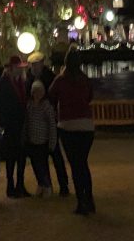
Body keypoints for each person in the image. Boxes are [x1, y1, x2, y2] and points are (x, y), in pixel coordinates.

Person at [48, 46, 95, 215]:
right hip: (86, 126)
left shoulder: (61, 80)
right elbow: (90, 97)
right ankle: (89, 199)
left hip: (68, 125)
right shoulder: (85, 79)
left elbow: (51, 95)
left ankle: (81, 201)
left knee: (75, 165)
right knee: (83, 163)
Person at [27, 51, 70, 196]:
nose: (34, 67)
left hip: (49, 117)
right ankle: (46, 184)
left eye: (36, 64)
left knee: (55, 154)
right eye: (33, 65)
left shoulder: (49, 77)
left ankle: (62, 185)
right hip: (37, 122)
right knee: (41, 157)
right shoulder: (30, 77)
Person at [0, 54, 29, 197]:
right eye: (18, 68)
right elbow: (0, 105)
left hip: (20, 124)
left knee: (21, 156)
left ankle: (20, 184)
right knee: (11, 156)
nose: (20, 70)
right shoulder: (3, 84)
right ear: (12, 68)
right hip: (10, 125)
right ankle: (10, 185)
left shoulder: (20, 83)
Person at [23, 79, 57, 196]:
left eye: (39, 91)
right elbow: (27, 122)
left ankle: (47, 185)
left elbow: (52, 125)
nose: (37, 94)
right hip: (32, 140)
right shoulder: (30, 105)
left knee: (42, 164)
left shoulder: (46, 106)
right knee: (35, 164)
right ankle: (41, 184)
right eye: (35, 92)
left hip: (43, 141)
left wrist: (52, 142)